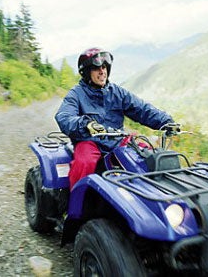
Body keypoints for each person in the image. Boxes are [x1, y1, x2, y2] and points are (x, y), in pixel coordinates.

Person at [55, 47, 174, 190]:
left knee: (149, 155)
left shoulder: (117, 92)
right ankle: (76, 208)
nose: (102, 71)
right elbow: (64, 116)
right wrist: (86, 124)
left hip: (117, 140)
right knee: (84, 163)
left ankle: (156, 197)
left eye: (104, 67)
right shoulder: (76, 94)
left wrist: (166, 121)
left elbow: (142, 109)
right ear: (86, 72)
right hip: (90, 142)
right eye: (96, 68)